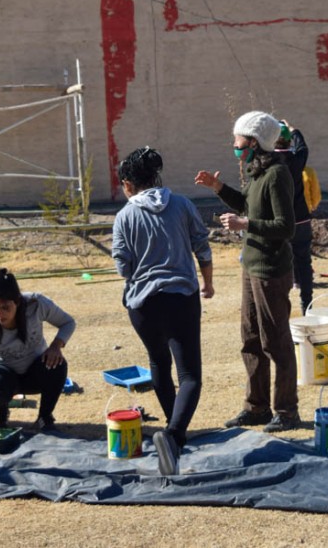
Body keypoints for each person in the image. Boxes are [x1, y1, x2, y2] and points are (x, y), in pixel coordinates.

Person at [195, 110, 300, 433]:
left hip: (271, 269)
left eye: (238, 141)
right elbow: (247, 206)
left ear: (254, 142)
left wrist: (246, 225)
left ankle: (286, 410)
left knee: (276, 341)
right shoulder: (257, 173)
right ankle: (256, 407)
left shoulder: (278, 174)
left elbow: (286, 227)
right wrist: (218, 187)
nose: (235, 146)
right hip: (251, 266)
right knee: (251, 339)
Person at [112, 146, 214, 476]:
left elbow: (123, 266)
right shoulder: (182, 205)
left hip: (142, 305)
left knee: (158, 362)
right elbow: (202, 245)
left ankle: (174, 436)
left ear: (128, 183)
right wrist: (207, 283)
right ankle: (172, 436)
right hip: (181, 297)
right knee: (190, 376)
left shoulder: (125, 216)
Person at [0, 269, 75, 433]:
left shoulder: (36, 304)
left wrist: (56, 346)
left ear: (18, 301)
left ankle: (45, 417)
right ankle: (1, 412)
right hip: (1, 373)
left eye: (5, 307)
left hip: (34, 371)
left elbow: (68, 322)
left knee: (57, 365)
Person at [275, 120, 314, 313]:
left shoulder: (267, 161)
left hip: (279, 221)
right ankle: (307, 304)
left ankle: (280, 306)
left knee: (278, 264)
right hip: (301, 219)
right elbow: (303, 146)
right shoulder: (297, 159)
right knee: (304, 263)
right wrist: (294, 130)